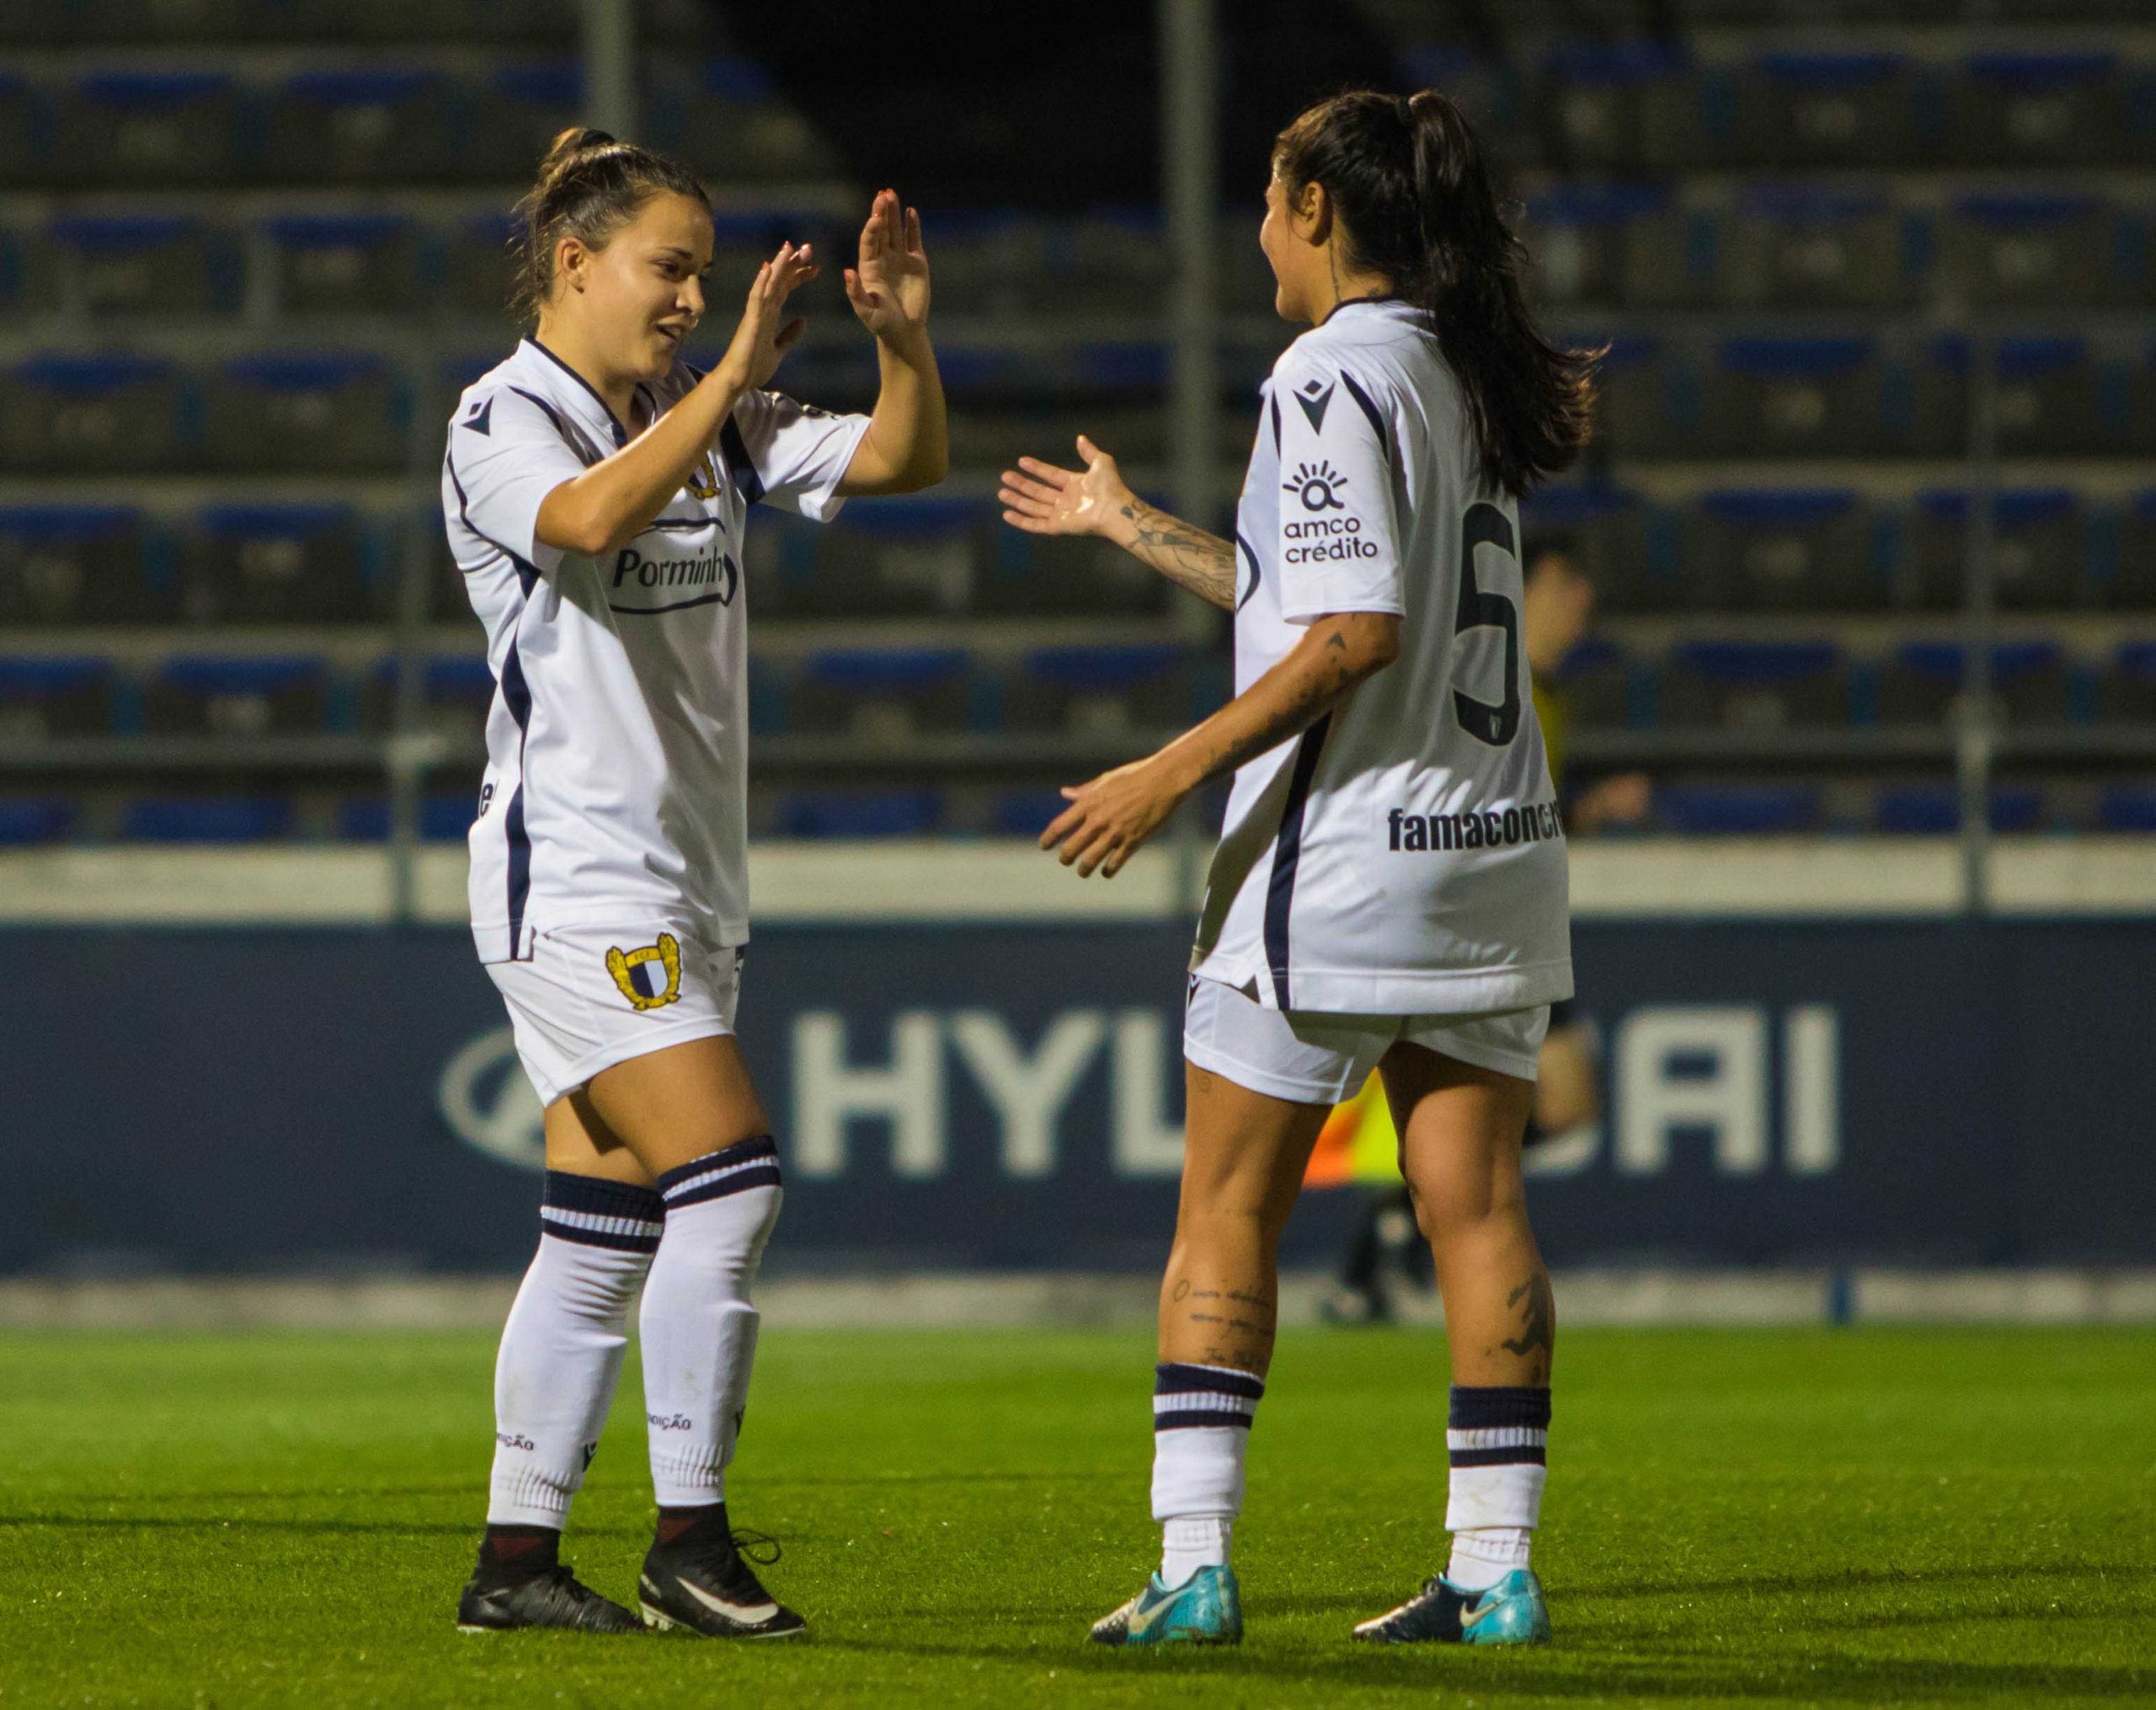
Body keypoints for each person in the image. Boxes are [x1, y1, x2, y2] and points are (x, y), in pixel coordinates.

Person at [998, 88, 1592, 1648]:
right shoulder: (1464, 372)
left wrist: (1163, 769)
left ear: (1317, 208)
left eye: (1270, 197)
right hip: (1491, 850)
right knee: (1476, 1208)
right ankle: (1495, 1567)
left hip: (1339, 858)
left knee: (1227, 1205)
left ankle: (1194, 1562)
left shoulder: (1326, 373)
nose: (1258, 227)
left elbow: (1349, 636)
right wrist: (1141, 529)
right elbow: (1318, 594)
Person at [442, 128, 945, 1637]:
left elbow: (900, 458)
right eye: (669, 270)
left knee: (597, 1238)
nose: (688, 300)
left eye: (704, 278)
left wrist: (903, 346)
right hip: (583, 880)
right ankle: (691, 1541)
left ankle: (515, 1568)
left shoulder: (695, 416)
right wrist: (728, 380)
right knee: (729, 1190)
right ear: (575, 263)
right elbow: (586, 521)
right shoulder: (499, 417)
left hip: (686, 882)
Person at [1320, 535, 1650, 1324]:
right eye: (1569, 593)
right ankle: (1392, 1235)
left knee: (1541, 1110)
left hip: (1511, 921)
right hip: (1471, 926)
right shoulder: (1488, 685)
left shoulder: (1548, 697)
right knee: (1519, 1109)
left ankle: (1385, 1239)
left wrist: (1582, 816)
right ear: (1527, 590)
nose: (1581, 615)